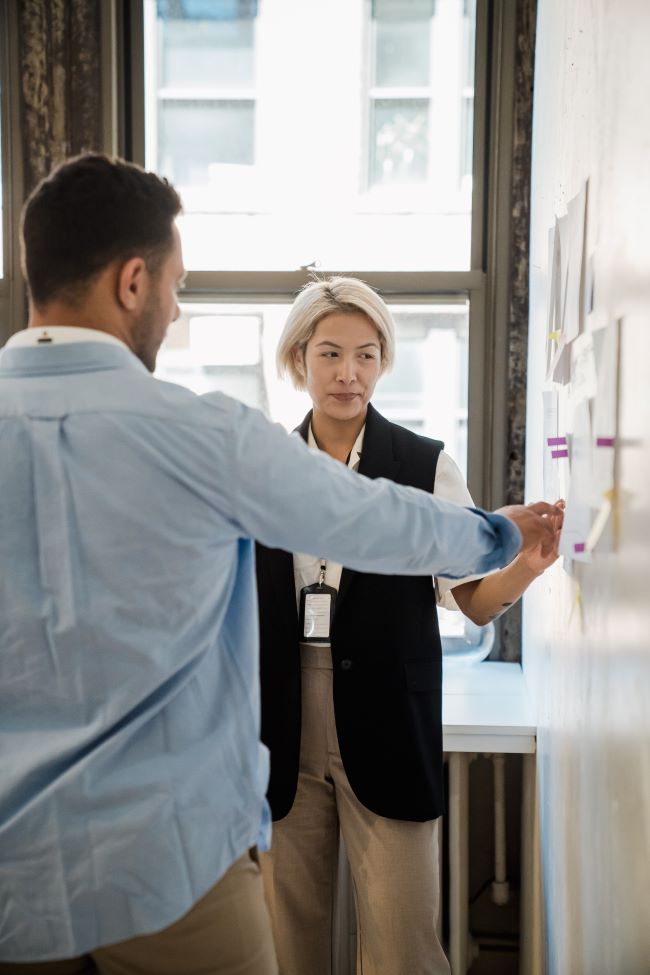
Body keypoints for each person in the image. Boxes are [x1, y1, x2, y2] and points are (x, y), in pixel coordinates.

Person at [0, 154, 560, 975]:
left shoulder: (393, 452)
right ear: (132, 282)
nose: (175, 307)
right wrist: (497, 534)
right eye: (173, 286)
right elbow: (375, 520)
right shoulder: (204, 437)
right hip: (171, 867)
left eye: (365, 354)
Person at [255, 277, 564, 975]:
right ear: (299, 358)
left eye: (366, 355)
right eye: (330, 353)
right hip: (279, 714)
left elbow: (471, 599)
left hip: (388, 713)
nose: (348, 373)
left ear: (383, 362)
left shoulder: (424, 463)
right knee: (285, 945)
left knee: (404, 947)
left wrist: (525, 566)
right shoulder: (265, 464)